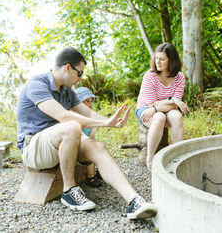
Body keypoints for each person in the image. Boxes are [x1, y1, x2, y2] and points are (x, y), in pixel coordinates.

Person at [16, 47, 157, 220]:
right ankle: (69, 190)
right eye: (79, 73)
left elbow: (88, 114)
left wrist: (113, 123)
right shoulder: (37, 84)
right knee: (72, 126)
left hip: (61, 141)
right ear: (67, 68)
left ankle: (134, 200)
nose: (80, 78)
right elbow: (63, 116)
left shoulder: (67, 91)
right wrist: (105, 123)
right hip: (34, 148)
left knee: (97, 147)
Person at [136, 43, 189, 170]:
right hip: (145, 109)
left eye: (162, 59)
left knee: (177, 116)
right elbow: (152, 103)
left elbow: (174, 108)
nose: (158, 62)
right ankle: (150, 159)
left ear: (171, 60)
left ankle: (178, 156)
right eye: (156, 58)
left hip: (164, 109)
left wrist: (170, 103)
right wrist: (172, 100)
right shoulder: (150, 76)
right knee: (159, 117)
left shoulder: (179, 77)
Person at [74, 87, 102, 188]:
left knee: (99, 148)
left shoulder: (89, 116)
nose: (90, 104)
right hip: (80, 144)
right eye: (87, 101)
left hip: (89, 141)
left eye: (91, 101)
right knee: (92, 151)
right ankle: (90, 177)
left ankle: (100, 171)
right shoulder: (76, 117)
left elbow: (92, 132)